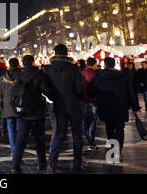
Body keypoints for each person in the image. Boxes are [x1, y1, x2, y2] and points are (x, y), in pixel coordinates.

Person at [9, 55, 54, 174]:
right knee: (39, 138)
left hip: (22, 111)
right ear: (33, 62)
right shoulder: (39, 74)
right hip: (36, 111)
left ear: (23, 63)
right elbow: (47, 91)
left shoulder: (19, 75)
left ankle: (15, 165)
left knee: (20, 139)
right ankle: (41, 164)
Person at [44, 44, 85, 174]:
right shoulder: (74, 68)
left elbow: (46, 89)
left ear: (54, 53)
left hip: (58, 106)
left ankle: (52, 162)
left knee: (59, 134)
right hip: (73, 104)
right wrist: (79, 98)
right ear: (67, 53)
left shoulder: (48, 69)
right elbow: (80, 88)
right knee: (77, 134)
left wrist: (54, 97)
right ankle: (77, 163)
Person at [91, 57, 139, 161]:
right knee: (120, 129)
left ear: (105, 65)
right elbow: (130, 93)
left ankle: (113, 146)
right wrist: (134, 107)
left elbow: (93, 91)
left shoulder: (99, 76)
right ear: (114, 64)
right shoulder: (123, 76)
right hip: (120, 106)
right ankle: (119, 148)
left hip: (105, 106)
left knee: (109, 127)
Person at [0, 58, 21, 153]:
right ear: (18, 64)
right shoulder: (21, 75)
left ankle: (13, 147)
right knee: (20, 127)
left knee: (10, 128)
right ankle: (20, 145)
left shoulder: (3, 77)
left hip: (7, 105)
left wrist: (1, 105)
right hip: (20, 104)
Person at [81, 57, 99, 150]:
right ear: (94, 64)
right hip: (92, 100)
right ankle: (91, 141)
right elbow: (97, 88)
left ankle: (88, 138)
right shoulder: (95, 74)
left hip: (83, 100)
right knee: (93, 120)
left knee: (86, 121)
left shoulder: (82, 72)